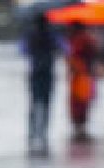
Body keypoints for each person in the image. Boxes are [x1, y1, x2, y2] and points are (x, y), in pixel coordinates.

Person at [24, 13, 62, 155]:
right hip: (47, 73)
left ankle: (32, 132)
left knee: (34, 103)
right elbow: (63, 49)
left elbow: (23, 50)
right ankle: (43, 132)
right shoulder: (52, 36)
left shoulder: (31, 36)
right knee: (46, 104)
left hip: (35, 73)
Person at [66, 21, 99, 141]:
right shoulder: (85, 39)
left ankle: (80, 127)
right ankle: (80, 127)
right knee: (82, 102)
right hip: (82, 75)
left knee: (81, 103)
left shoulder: (80, 40)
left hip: (81, 76)